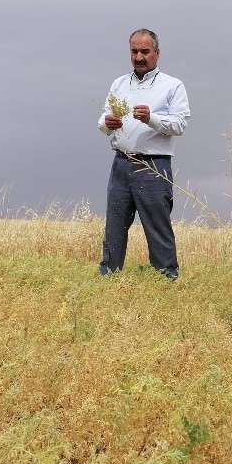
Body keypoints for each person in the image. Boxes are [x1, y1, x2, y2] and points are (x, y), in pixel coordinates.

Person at [97, 28, 190, 280]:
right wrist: (108, 124)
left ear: (157, 54)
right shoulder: (118, 84)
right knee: (114, 226)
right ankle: (109, 277)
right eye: (134, 51)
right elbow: (102, 123)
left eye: (145, 52)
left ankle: (166, 279)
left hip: (153, 166)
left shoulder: (172, 86)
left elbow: (180, 125)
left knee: (157, 228)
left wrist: (152, 118)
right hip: (121, 164)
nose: (139, 57)